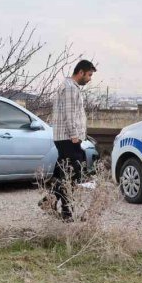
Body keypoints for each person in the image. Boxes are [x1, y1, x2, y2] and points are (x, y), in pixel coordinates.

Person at [41, 59, 96, 221]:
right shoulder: (71, 88)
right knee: (72, 174)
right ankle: (66, 212)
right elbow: (70, 114)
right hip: (68, 138)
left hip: (64, 137)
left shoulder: (67, 87)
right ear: (81, 72)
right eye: (89, 75)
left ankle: (50, 203)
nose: (90, 78)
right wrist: (74, 135)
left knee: (64, 174)